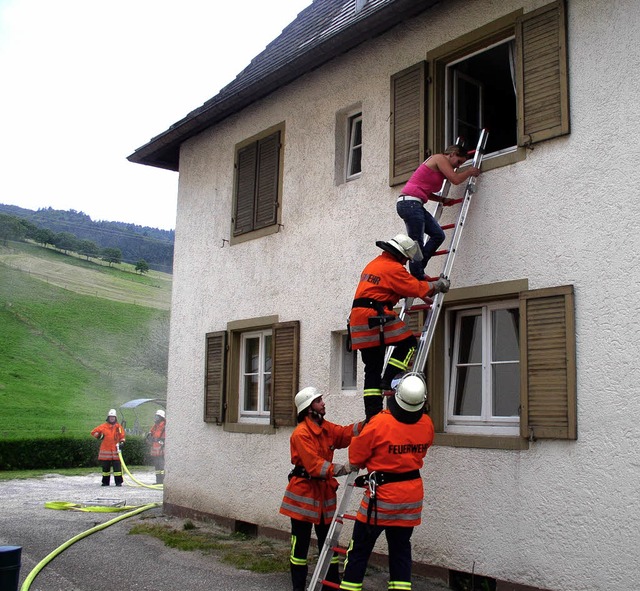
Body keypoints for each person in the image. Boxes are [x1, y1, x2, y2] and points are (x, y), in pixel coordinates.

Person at [339, 373, 434, 591]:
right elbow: (423, 448)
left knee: (359, 551)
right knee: (401, 551)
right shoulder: (427, 423)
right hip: (410, 500)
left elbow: (356, 458)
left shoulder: (379, 422)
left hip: (380, 499)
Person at [348, 234, 450, 419]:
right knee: (409, 343)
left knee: (372, 369)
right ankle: (389, 379)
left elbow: (382, 290)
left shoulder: (375, 264)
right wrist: (438, 285)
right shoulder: (394, 269)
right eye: (406, 259)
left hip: (359, 320)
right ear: (401, 255)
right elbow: (414, 287)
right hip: (375, 317)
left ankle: (372, 415)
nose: (406, 262)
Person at [279, 387, 363, 591]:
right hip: (303, 498)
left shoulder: (325, 428)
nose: (323, 403)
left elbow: (344, 434)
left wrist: (368, 424)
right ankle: (298, 587)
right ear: (309, 409)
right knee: (300, 548)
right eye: (318, 401)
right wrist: (343, 469)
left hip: (323, 496)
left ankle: (330, 586)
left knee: (329, 547)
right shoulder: (301, 434)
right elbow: (315, 466)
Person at [397, 144, 481, 279]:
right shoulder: (439, 158)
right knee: (417, 241)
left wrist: (442, 199)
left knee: (438, 235)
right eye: (459, 162)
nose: (458, 166)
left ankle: (418, 269)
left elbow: (426, 192)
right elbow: (455, 179)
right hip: (410, 203)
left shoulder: (439, 166)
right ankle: (417, 275)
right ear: (452, 153)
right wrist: (470, 172)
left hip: (414, 203)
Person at [91, 408, 126, 487]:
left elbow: (122, 436)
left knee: (117, 469)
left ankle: (118, 482)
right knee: (105, 469)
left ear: (115, 418)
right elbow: (93, 432)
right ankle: (105, 482)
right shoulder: (103, 426)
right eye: (110, 417)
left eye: (113, 417)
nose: (112, 418)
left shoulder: (119, 427)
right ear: (108, 418)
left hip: (116, 451)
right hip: (105, 452)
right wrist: (100, 436)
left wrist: (122, 442)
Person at [146, 409, 166, 484]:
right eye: (156, 416)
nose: (156, 418)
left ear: (161, 417)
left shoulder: (164, 426)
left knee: (161, 466)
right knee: (157, 467)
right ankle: (158, 481)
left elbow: (164, 438)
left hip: (161, 449)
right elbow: (150, 434)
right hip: (155, 449)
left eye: (157, 417)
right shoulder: (155, 426)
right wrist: (149, 436)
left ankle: (163, 481)